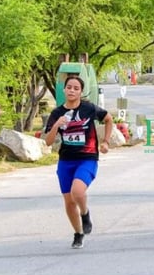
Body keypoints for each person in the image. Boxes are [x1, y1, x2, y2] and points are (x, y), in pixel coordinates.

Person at [45, 75, 112, 249]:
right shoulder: (57, 113)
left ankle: (85, 213)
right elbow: (48, 141)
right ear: (64, 90)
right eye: (69, 87)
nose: (72, 90)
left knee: (78, 192)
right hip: (66, 161)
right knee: (68, 201)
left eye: (76, 88)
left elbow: (108, 119)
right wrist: (56, 125)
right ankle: (78, 233)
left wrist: (105, 141)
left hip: (87, 158)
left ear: (81, 91)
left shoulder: (89, 108)